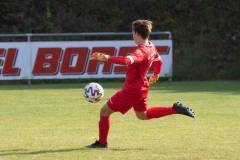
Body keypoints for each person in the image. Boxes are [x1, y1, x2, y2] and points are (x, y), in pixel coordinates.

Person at [86, 19, 195, 148]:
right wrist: (156, 74)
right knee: (143, 115)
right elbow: (159, 61)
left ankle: (102, 143)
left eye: (133, 33)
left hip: (131, 90)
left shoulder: (140, 52)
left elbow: (127, 61)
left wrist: (107, 57)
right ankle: (174, 109)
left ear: (137, 34)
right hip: (142, 87)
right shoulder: (151, 46)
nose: (133, 35)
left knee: (104, 111)